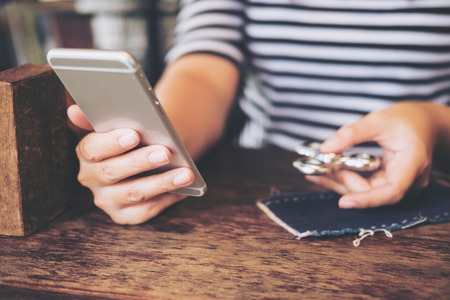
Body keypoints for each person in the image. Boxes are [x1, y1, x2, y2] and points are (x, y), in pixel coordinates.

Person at [67, 0, 450, 225]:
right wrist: (157, 148)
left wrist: (434, 123)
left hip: (433, 192)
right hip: (261, 192)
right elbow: (204, 65)